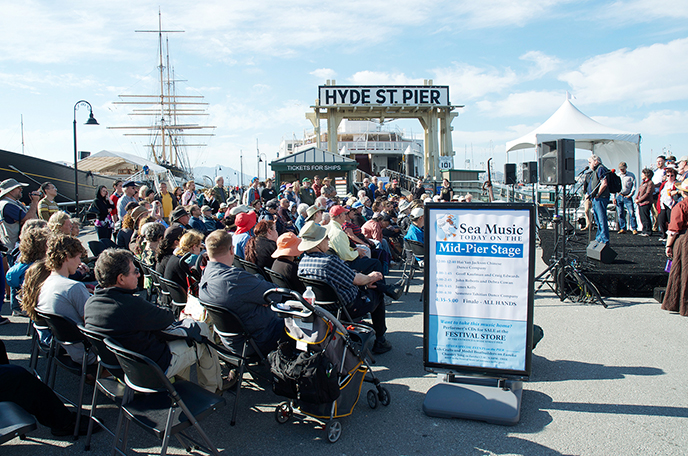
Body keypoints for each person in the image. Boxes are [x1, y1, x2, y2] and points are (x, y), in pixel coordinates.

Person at [85, 249, 226, 393]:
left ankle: (184, 387)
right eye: (134, 272)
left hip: (126, 369)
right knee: (201, 334)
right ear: (121, 279)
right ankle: (212, 389)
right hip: (151, 370)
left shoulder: (91, 305)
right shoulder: (127, 305)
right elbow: (167, 317)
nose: (139, 274)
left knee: (189, 335)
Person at [297, 222, 392, 354]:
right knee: (377, 293)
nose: (328, 240)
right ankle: (380, 340)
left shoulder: (303, 262)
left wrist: (365, 281)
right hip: (347, 306)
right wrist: (371, 277)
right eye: (326, 238)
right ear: (318, 243)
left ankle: (387, 291)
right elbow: (357, 279)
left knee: (368, 285)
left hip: (322, 308)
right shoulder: (329, 261)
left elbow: (344, 278)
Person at [199, 230, 284, 354]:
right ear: (231, 250)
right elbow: (275, 294)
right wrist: (259, 293)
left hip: (229, 340)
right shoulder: (236, 279)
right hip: (257, 340)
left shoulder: (204, 275)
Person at [35, 235, 95, 365]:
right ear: (67, 257)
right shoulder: (74, 288)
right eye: (78, 257)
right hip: (87, 352)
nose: (80, 262)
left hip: (66, 348)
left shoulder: (45, 284)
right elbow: (93, 324)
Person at [661, 178, 688, 316]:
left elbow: (674, 229)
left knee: (681, 270)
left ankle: (679, 304)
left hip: (684, 239)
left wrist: (668, 245)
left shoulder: (681, 206)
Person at [0, 178, 40, 251]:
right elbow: (28, 220)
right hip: (13, 247)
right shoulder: (7, 205)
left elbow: (34, 219)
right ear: (10, 190)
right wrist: (34, 202)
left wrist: (33, 204)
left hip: (17, 245)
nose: (21, 189)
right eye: (18, 187)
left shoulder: (15, 203)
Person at [586, 155, 611, 245]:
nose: (589, 164)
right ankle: (599, 237)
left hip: (600, 198)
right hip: (595, 198)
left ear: (596, 161)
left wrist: (598, 194)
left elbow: (604, 183)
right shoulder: (595, 171)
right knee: (597, 219)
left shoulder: (601, 169)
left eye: (590, 162)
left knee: (601, 219)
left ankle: (604, 239)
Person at [657, 166, 680, 242]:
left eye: (672, 175)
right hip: (663, 204)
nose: (670, 177)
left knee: (670, 220)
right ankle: (664, 235)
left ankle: (671, 236)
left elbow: (679, 193)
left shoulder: (676, 183)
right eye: (668, 175)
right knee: (661, 219)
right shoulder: (664, 184)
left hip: (672, 204)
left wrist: (674, 193)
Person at [615, 162, 638, 234]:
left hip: (627, 196)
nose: (621, 170)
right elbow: (614, 187)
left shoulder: (631, 175)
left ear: (626, 167)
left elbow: (634, 186)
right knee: (620, 213)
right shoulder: (617, 175)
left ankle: (634, 228)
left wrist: (630, 194)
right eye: (620, 169)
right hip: (619, 195)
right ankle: (623, 228)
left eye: (623, 168)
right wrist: (614, 197)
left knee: (631, 212)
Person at [635, 168, 654, 236]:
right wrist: (636, 198)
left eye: (642, 174)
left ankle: (648, 231)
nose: (641, 175)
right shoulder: (643, 182)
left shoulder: (650, 183)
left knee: (646, 216)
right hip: (640, 203)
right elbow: (640, 191)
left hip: (646, 202)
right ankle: (644, 230)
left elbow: (647, 193)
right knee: (642, 216)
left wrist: (639, 200)